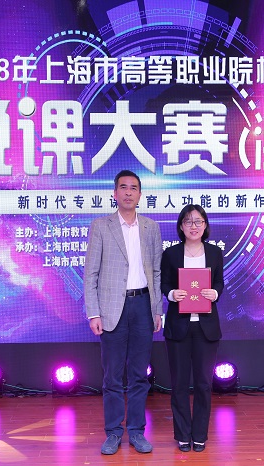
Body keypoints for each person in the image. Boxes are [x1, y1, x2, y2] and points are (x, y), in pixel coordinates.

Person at [84, 169, 163, 455]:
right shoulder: (101, 226)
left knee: (140, 375)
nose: (128, 192)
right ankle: (114, 432)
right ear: (115, 193)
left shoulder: (151, 228)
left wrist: (157, 310)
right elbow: (91, 273)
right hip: (111, 308)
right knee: (112, 376)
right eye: (123, 187)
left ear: (140, 194)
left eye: (134, 188)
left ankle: (137, 432)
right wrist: (94, 313)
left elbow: (156, 272)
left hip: (143, 306)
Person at [161, 204, 224, 453]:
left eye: (198, 221)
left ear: (205, 225)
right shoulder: (171, 254)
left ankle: (199, 435)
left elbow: (219, 282)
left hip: (206, 329)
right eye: (188, 222)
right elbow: (164, 282)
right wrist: (172, 294)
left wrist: (214, 293)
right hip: (178, 327)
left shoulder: (215, 253)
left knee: (203, 384)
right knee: (178, 384)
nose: (194, 226)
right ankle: (182, 435)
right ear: (181, 226)